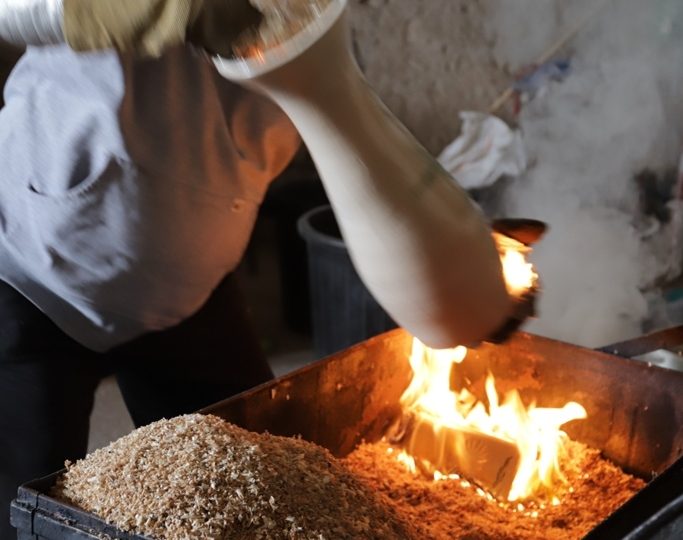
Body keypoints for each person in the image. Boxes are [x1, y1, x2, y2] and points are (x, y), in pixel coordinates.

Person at [0, 1, 532, 537]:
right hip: (38, 268)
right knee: (21, 512)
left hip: (190, 279)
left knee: (273, 481)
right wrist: (164, 7)